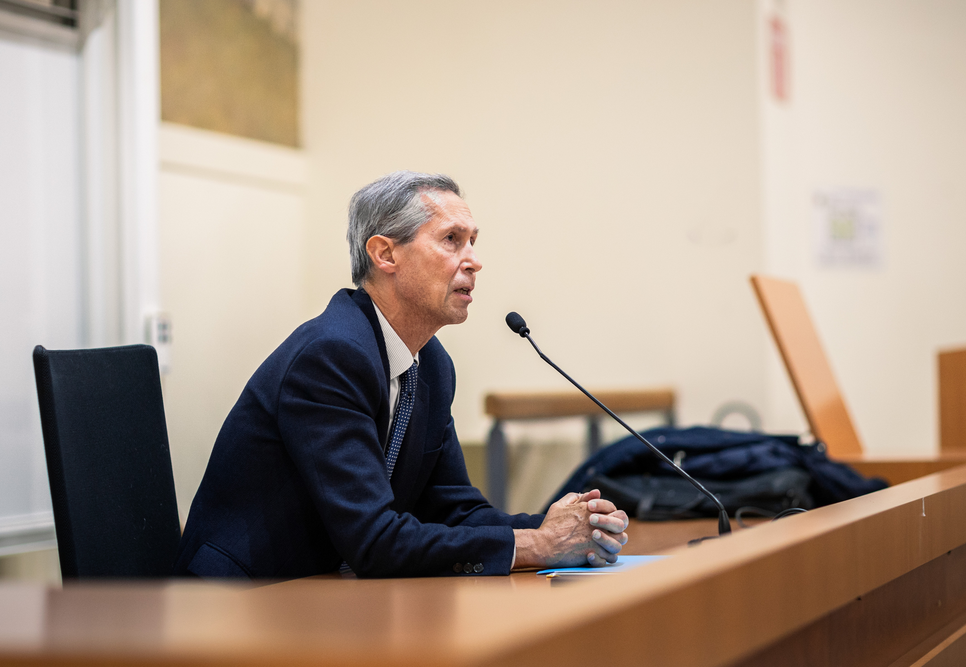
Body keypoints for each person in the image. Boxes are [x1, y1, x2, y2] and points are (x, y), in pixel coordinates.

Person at [174, 171, 628, 579]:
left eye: (473, 241)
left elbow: (454, 509)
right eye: (451, 239)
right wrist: (536, 546)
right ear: (385, 253)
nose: (473, 260)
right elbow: (375, 541)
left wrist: (563, 529)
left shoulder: (430, 363)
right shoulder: (329, 356)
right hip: (243, 598)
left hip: (325, 592)